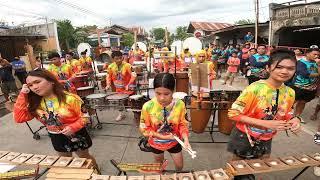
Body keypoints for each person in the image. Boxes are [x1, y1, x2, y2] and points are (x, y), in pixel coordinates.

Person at [227, 49, 301, 179]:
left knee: (260, 166)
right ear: (268, 68)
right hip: (244, 136)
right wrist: (265, 123)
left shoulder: (290, 92)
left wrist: (295, 119)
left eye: (290, 68)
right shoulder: (255, 88)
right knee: (239, 170)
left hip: (267, 137)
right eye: (279, 67)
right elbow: (233, 113)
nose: (284, 71)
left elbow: (286, 112)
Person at [13, 69, 100, 173]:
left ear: (51, 81)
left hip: (77, 134)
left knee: (84, 158)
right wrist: (23, 94)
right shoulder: (35, 104)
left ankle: (96, 173)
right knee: (65, 160)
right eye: (30, 85)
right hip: (56, 136)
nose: (34, 87)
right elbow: (19, 118)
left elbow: (85, 116)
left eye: (37, 82)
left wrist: (73, 127)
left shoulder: (71, 99)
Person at [140, 73, 190, 171]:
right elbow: (144, 128)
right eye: (158, 93)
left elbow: (182, 124)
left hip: (174, 142)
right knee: (159, 167)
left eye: (166, 94)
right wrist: (162, 137)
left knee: (179, 166)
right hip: (156, 143)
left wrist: (186, 139)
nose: (162, 98)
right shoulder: (147, 106)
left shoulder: (179, 104)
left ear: (173, 91)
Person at [106, 51, 137, 121]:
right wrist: (108, 84)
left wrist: (129, 84)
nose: (119, 60)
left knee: (132, 102)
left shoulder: (128, 65)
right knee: (119, 102)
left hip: (128, 88)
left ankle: (136, 115)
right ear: (113, 59)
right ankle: (121, 114)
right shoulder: (110, 67)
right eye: (117, 59)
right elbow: (108, 76)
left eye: (120, 58)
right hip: (118, 89)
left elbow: (134, 75)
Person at [292, 48, 320, 124]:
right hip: (299, 87)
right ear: (307, 54)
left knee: (303, 102)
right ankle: (284, 115)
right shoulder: (301, 62)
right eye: (314, 54)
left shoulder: (316, 63)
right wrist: (317, 74)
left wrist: (318, 65)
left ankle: (296, 116)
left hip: (311, 88)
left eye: (318, 55)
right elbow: (304, 74)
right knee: (292, 101)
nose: (316, 56)